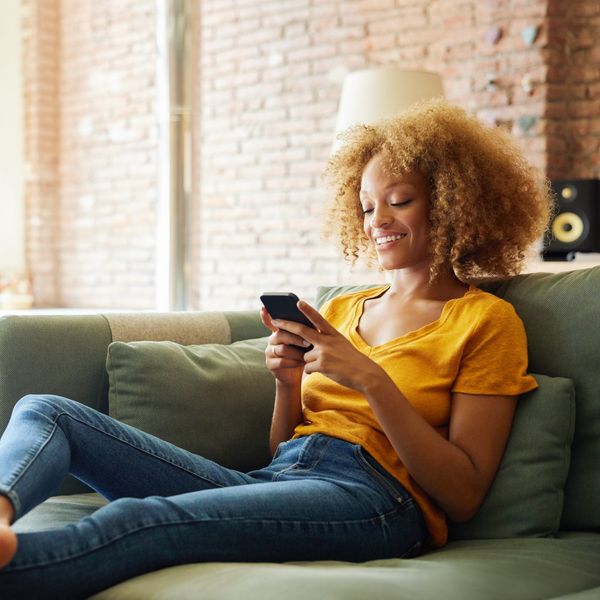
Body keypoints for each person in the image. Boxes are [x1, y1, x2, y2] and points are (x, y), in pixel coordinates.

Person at [0, 98, 552, 598]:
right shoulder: (341, 309)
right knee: (48, 412)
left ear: (455, 204)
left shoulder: (487, 322)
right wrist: (287, 386)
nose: (377, 221)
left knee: (144, 520)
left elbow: (462, 495)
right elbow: (283, 450)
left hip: (376, 499)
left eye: (399, 200)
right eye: (365, 207)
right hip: (284, 477)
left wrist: (370, 379)